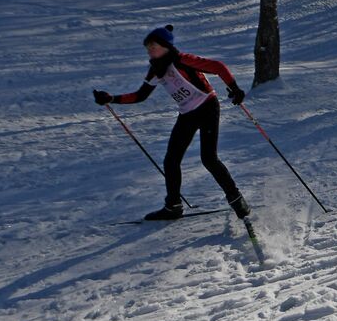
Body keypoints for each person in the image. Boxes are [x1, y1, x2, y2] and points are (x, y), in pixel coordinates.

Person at [93, 25, 251, 221]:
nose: (150, 51)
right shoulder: (156, 70)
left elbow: (218, 67)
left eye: (154, 47)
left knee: (209, 158)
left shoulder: (182, 60)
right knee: (171, 160)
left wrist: (234, 88)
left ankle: (236, 199)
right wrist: (111, 99)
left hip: (207, 107)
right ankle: (173, 207)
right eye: (148, 48)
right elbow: (140, 96)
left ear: (166, 46)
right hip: (187, 113)